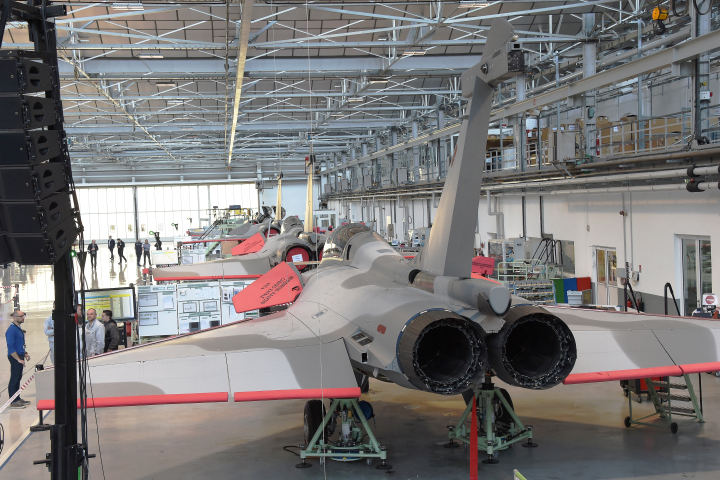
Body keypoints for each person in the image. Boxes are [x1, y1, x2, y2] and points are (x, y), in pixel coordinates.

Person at [5, 310, 31, 408]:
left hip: (19, 355)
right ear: (15, 318)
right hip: (14, 357)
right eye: (21, 316)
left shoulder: (17, 328)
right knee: (14, 379)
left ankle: (17, 398)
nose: (23, 317)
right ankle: (13, 401)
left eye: (23, 315)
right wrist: (18, 359)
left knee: (18, 378)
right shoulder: (11, 330)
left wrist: (25, 353)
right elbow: (11, 347)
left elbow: (19, 344)